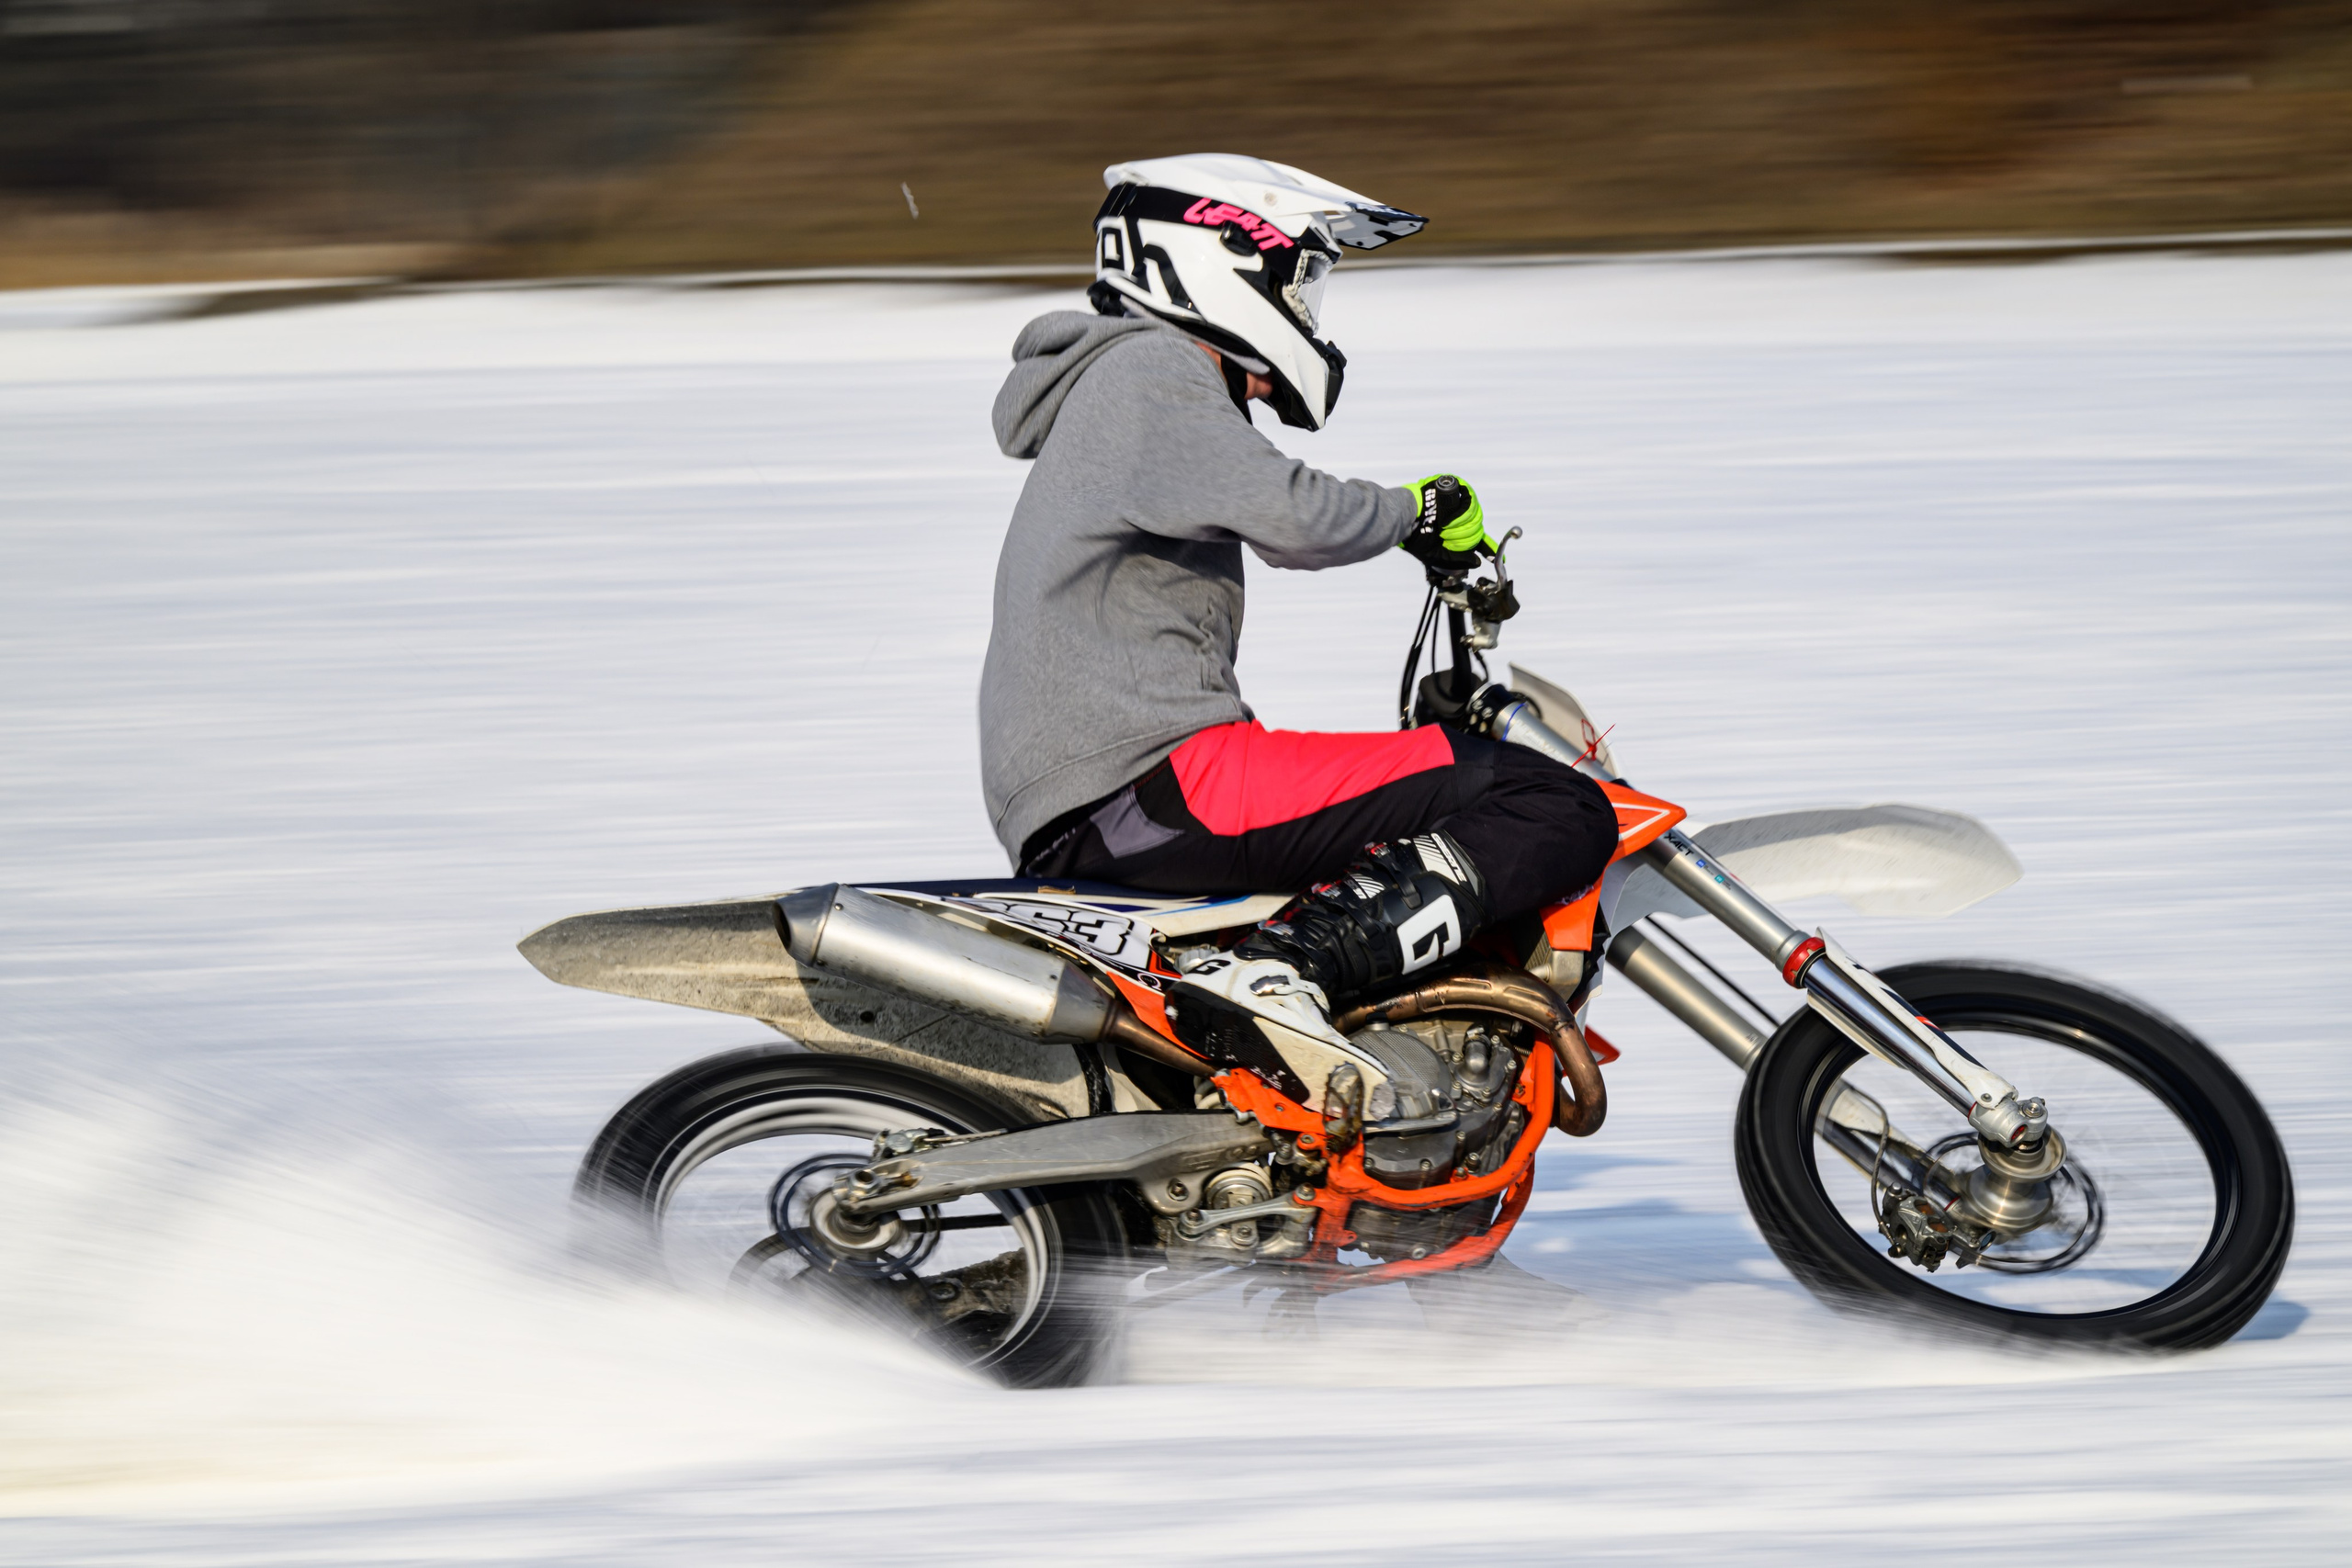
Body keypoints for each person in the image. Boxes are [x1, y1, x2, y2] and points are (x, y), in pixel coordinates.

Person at [981, 153, 1617, 1074]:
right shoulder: (1148, 370)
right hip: (1148, 777)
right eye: (1300, 278)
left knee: (1446, 807)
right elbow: (1298, 518)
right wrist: (1420, 511)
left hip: (1111, 785)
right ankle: (1285, 971)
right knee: (1551, 802)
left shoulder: (1119, 390)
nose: (1308, 310)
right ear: (1213, 260)